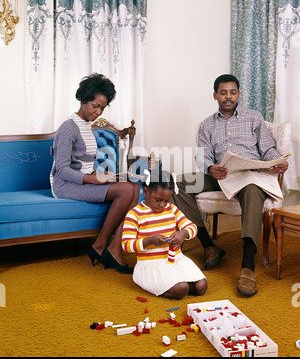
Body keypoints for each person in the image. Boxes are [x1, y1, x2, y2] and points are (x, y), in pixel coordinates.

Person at [171, 74, 288, 297]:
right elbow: (202, 157)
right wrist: (209, 168)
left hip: (250, 174)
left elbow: (267, 149)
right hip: (222, 175)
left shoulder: (254, 118)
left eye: (232, 92)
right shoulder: (206, 125)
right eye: (223, 92)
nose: (228, 97)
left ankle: (247, 266)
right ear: (215, 95)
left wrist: (277, 161)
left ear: (238, 94)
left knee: (253, 190)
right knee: (177, 184)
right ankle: (208, 245)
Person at [50, 73, 140, 274]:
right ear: (83, 100)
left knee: (134, 187)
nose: (98, 111)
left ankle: (113, 247)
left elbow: (84, 164)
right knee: (126, 191)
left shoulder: (86, 126)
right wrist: (94, 179)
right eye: (95, 106)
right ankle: (101, 246)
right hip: (64, 185)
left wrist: (102, 175)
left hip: (81, 181)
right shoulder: (68, 128)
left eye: (102, 107)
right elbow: (62, 169)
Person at [122, 169, 207, 300]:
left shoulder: (171, 209)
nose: (162, 205)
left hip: (176, 260)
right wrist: (148, 241)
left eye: (167, 200)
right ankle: (167, 286)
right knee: (181, 289)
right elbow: (126, 245)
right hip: (151, 264)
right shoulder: (134, 214)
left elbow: (192, 227)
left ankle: (175, 282)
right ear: (146, 192)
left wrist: (183, 234)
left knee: (201, 286)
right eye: (158, 200)